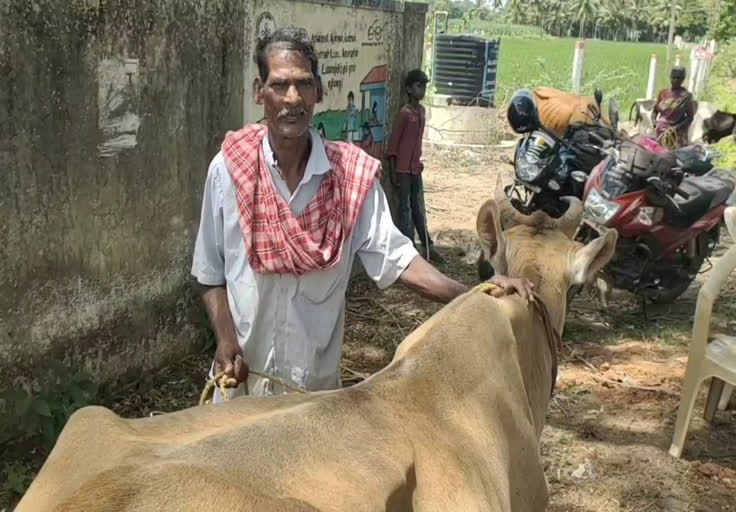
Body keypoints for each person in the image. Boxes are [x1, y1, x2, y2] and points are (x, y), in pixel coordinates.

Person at [191, 27, 534, 402]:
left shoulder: (350, 179)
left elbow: (399, 261)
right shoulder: (229, 170)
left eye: (304, 84)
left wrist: (475, 293)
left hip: (311, 402)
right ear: (260, 91)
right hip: (238, 395)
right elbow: (211, 273)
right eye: (279, 85)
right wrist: (226, 340)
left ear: (319, 91)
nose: (293, 98)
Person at [386, 69, 440, 261]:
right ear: (409, 89)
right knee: (404, 209)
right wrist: (393, 171)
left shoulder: (422, 112)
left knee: (417, 207)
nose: (422, 90)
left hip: (415, 167)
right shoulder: (405, 114)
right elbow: (394, 144)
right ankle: (409, 249)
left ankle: (427, 245)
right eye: (418, 86)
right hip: (402, 169)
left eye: (424, 86)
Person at [653, 66, 695, 149]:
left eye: (678, 78)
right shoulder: (663, 93)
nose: (675, 80)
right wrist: (654, 121)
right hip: (661, 132)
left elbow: (690, 117)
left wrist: (675, 128)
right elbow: (655, 111)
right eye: (673, 77)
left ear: (683, 79)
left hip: (676, 134)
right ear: (670, 77)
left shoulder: (686, 96)